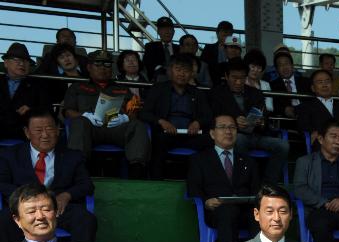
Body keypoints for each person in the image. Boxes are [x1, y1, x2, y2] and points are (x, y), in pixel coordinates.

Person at [0, 109, 96, 242]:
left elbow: (86, 184)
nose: (45, 135)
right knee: (3, 220)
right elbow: (2, 183)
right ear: (27, 132)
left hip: (57, 209)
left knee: (86, 220)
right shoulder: (10, 155)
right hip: (24, 208)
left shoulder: (72, 156)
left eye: (50, 129)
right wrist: (24, 198)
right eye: (38, 130)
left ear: (58, 130)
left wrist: (67, 195)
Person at [63, 50, 149, 179]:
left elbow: (134, 110)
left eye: (108, 65)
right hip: (90, 128)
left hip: (116, 128)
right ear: (89, 67)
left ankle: (136, 173)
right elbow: (68, 111)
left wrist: (125, 117)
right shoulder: (77, 87)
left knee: (138, 125)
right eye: (98, 64)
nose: (103, 68)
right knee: (79, 123)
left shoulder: (122, 89)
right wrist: (85, 116)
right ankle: (79, 171)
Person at [186, 114, 260, 242]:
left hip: (244, 210)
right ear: (213, 133)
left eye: (232, 127)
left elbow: (256, 189)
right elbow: (193, 189)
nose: (228, 131)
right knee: (227, 211)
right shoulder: (199, 159)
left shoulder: (247, 160)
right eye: (222, 127)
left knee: (259, 215)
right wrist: (206, 202)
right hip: (217, 212)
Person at [208, 58, 289, 184]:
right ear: (226, 76)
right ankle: (244, 181)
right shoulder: (217, 93)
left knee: (283, 145)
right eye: (234, 78)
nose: (239, 82)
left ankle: (267, 184)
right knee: (239, 140)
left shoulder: (255, 93)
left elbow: (264, 117)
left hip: (256, 134)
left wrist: (261, 121)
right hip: (232, 135)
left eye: (242, 78)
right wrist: (234, 122)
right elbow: (213, 117)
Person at [140, 54, 213, 180]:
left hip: (191, 134)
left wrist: (197, 123)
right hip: (166, 133)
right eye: (178, 69)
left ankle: (205, 183)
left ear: (191, 74)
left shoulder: (197, 93)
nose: (182, 73)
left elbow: (208, 116)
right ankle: (157, 182)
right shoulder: (158, 89)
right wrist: (161, 121)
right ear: (170, 71)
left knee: (210, 142)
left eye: (186, 70)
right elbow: (144, 113)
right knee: (158, 141)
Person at [0, 43, 48, 141]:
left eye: (26, 61)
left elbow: (47, 109)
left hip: (23, 131)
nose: (22, 63)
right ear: (5, 63)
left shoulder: (38, 85)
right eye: (16, 60)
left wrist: (32, 110)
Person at [269, 50, 309, 120]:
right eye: (280, 65)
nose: (285, 67)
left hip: (306, 118)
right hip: (285, 121)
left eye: (287, 63)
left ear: (292, 65)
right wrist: (284, 109)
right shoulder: (272, 86)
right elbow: (274, 106)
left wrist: (297, 109)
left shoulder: (306, 82)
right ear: (276, 69)